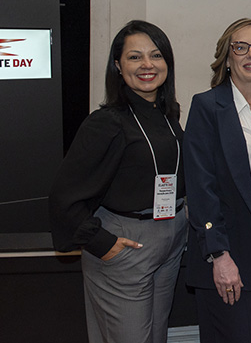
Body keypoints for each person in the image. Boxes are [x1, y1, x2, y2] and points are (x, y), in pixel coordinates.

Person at [50, 20, 186, 343]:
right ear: (117, 65)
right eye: (135, 57)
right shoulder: (106, 123)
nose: (147, 65)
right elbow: (63, 196)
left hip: (169, 237)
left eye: (156, 55)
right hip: (127, 243)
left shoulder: (167, 114)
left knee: (156, 336)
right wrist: (101, 243)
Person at [184, 18, 251, 343]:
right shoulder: (207, 106)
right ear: (227, 57)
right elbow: (201, 187)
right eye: (241, 47)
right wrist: (219, 255)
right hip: (229, 246)